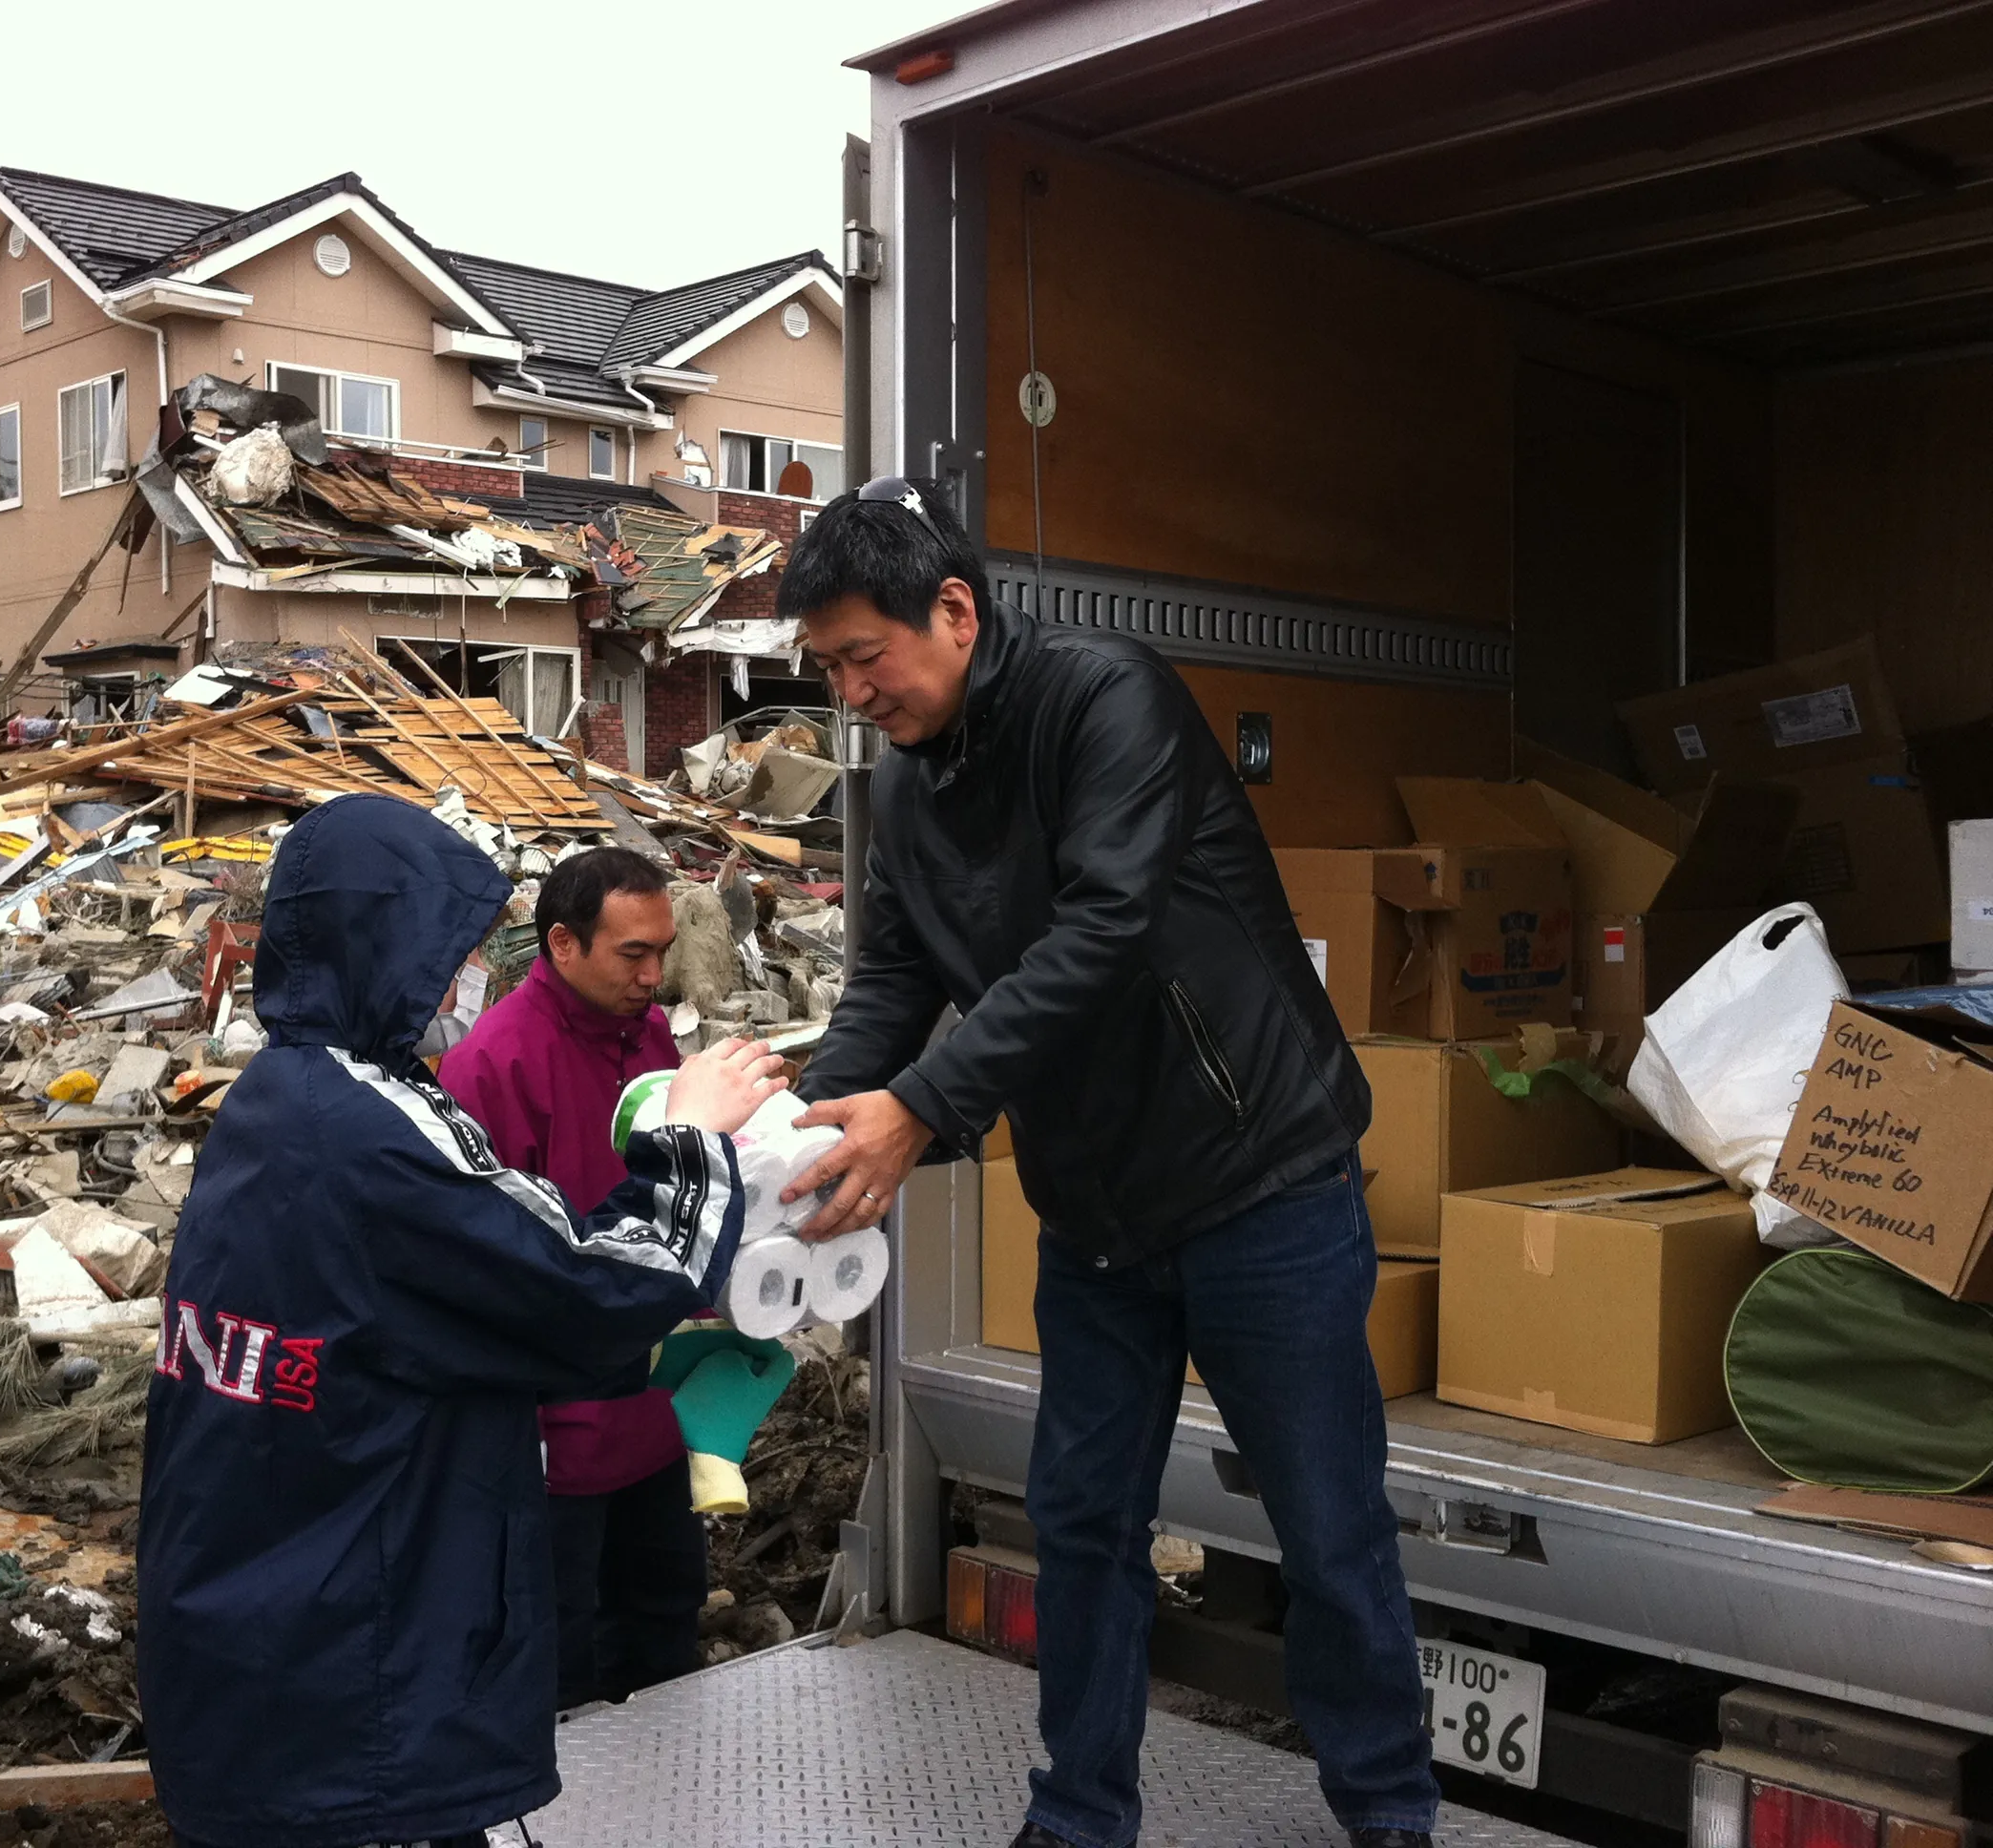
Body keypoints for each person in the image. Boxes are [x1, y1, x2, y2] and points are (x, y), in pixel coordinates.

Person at [780, 478, 1440, 1848]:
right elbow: (889, 987)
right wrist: (794, 1130)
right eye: (827, 668)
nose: (850, 694)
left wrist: (921, 1110)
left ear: (954, 612)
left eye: (864, 656)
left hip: (1261, 1178)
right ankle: (1079, 1815)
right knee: (1079, 1524)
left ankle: (1387, 1811)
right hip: (1096, 1216)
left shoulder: (1105, 698)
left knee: (1326, 1528)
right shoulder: (905, 794)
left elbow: (1103, 931)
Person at [138, 794, 783, 1848]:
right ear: (378, 946)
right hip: (358, 1661)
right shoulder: (373, 1129)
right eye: (441, 952)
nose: (454, 982)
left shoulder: (273, 1103)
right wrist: (692, 1146)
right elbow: (586, 1291)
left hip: (257, 1624)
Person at [438, 846, 709, 1711]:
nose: (654, 976)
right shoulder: (492, 1065)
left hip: (655, 1406)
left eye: (662, 952)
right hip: (553, 1431)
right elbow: (479, 1266)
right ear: (562, 943)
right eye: (633, 954)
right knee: (558, 1654)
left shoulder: (653, 1039)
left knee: (665, 1617)